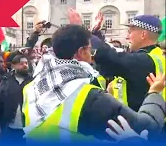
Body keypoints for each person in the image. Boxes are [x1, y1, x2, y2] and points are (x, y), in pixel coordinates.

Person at [22, 25, 165, 142]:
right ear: (81, 52)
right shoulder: (90, 97)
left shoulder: (30, 89)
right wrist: (154, 93)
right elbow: (148, 127)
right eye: (91, 50)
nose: (92, 56)